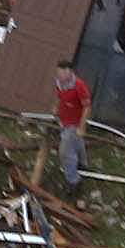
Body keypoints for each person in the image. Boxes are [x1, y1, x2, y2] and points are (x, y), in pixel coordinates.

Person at [52, 61, 90, 190]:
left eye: (62, 73)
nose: (59, 76)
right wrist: (56, 108)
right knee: (77, 143)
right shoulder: (59, 83)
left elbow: (86, 107)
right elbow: (59, 96)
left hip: (74, 124)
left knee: (65, 152)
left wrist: (81, 127)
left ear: (69, 72)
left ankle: (73, 181)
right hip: (63, 120)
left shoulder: (79, 86)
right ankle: (82, 163)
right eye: (58, 73)